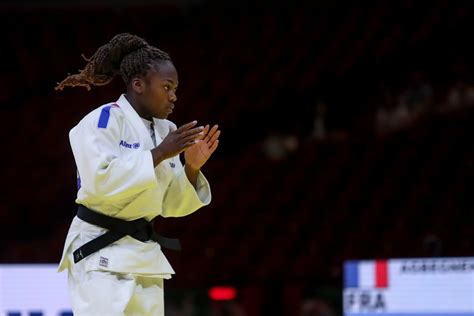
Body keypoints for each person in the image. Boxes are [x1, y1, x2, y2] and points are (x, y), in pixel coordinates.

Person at [55, 33, 220, 315]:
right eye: (166, 86)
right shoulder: (103, 120)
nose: (174, 96)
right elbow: (99, 183)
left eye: (176, 88)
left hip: (144, 256)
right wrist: (159, 154)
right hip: (99, 251)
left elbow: (168, 205)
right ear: (138, 84)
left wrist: (191, 167)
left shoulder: (166, 131)